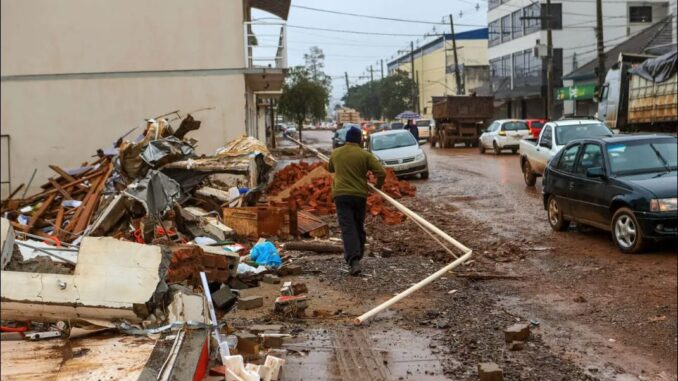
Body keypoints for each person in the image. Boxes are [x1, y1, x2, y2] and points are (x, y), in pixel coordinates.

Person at [328, 126, 386, 275]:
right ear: (360, 140)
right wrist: (376, 186)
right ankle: (357, 255)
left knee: (348, 227)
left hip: (341, 195)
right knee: (358, 225)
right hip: (359, 195)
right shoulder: (364, 155)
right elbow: (381, 172)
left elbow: (331, 169)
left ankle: (354, 260)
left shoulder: (336, 153)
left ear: (346, 139)